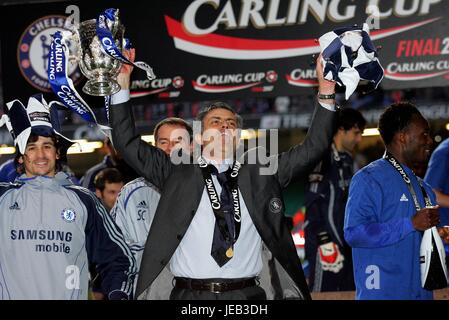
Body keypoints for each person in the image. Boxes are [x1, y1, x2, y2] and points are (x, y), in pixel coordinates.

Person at [108, 49, 337, 300]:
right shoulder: (175, 171)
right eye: (215, 121)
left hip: (247, 295)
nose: (225, 126)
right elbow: (126, 142)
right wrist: (121, 86)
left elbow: (312, 148)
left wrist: (325, 89)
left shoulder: (261, 172)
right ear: (198, 136)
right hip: (189, 296)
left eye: (231, 123)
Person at [0, 94, 136, 299]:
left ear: (57, 153)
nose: (41, 155)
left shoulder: (84, 201)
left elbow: (118, 259)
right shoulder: (3, 199)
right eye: (32, 148)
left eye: (47, 146)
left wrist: (118, 294)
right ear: (21, 156)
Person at [344, 102, 449, 300]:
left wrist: (439, 235)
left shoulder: (424, 188)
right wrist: (410, 223)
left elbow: (420, 239)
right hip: (383, 294)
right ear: (403, 137)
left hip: (422, 294)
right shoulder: (368, 178)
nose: (429, 142)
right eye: (423, 134)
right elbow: (354, 233)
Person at [111, 117, 193, 297]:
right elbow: (115, 250)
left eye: (178, 141)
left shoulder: (208, 190)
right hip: (149, 292)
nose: (170, 148)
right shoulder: (131, 193)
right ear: (153, 146)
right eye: (163, 142)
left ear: (192, 147)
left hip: (196, 291)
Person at [305, 108, 366, 292]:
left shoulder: (348, 160)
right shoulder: (322, 158)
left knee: (349, 293)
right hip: (325, 245)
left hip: (346, 243)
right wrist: (324, 241)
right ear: (341, 129)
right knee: (323, 294)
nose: (359, 139)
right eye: (356, 133)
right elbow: (312, 202)